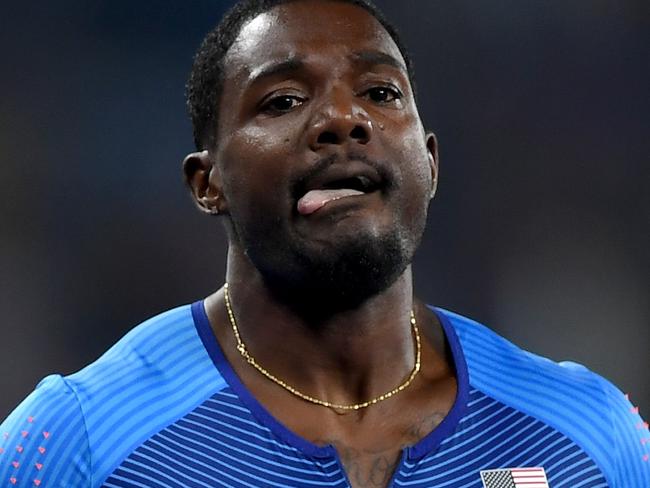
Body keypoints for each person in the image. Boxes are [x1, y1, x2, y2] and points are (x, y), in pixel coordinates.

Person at [1, 0, 648, 486]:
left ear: (430, 163)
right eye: (282, 100)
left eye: (381, 92)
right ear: (208, 184)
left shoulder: (586, 435)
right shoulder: (80, 439)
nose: (344, 120)